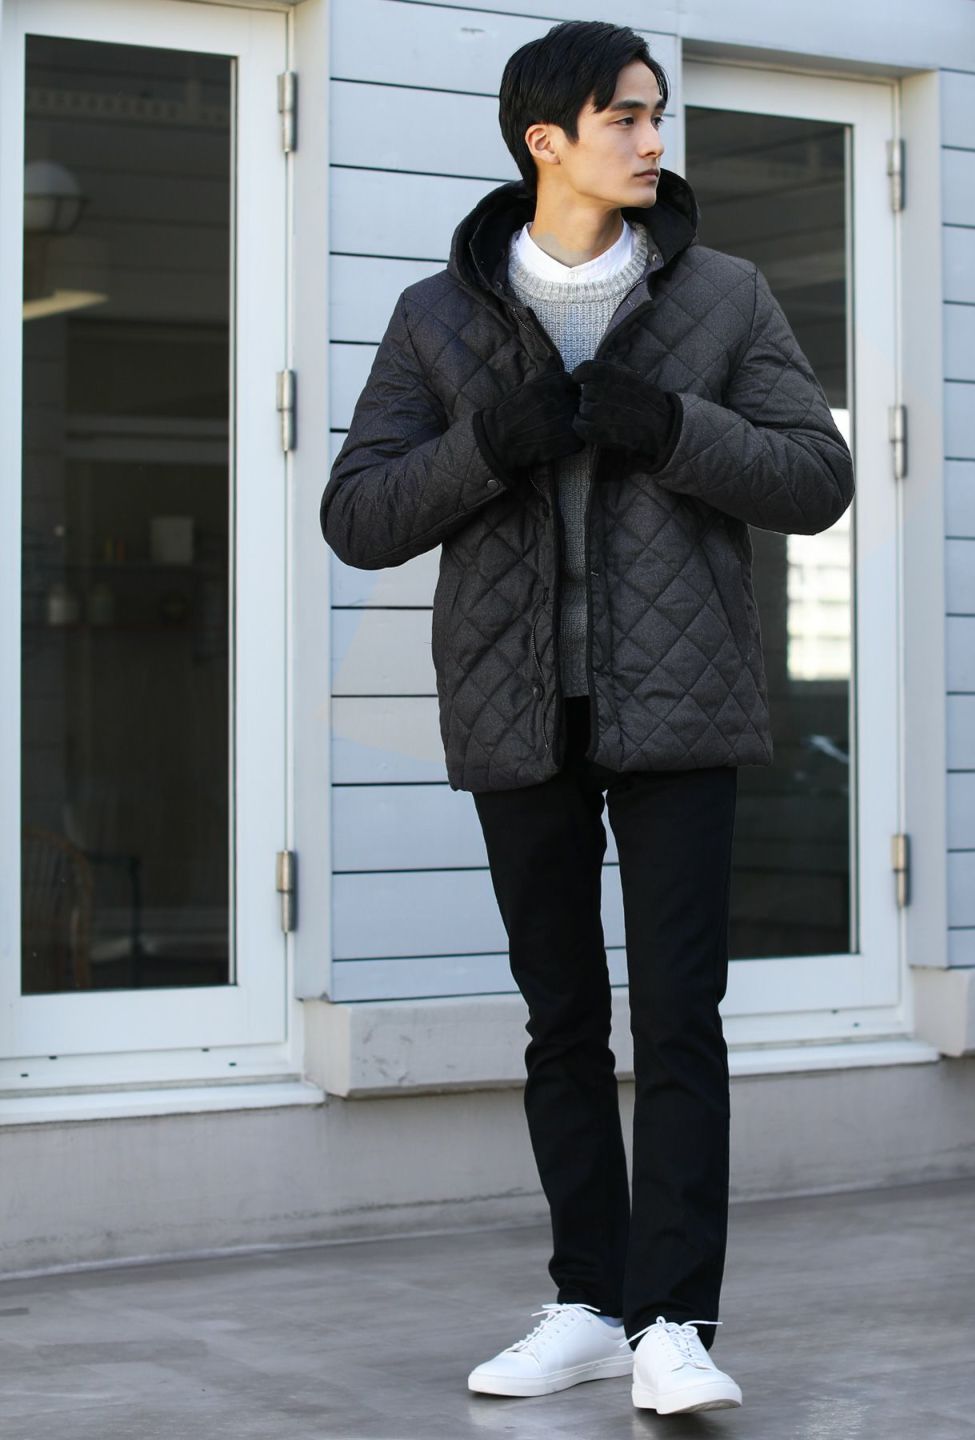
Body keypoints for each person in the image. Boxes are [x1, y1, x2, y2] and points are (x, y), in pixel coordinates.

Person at [320, 18, 854, 1418]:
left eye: (657, 114)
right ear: (545, 139)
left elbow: (817, 478)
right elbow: (358, 514)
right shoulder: (438, 317)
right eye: (626, 116)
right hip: (514, 708)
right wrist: (490, 446)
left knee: (679, 1017)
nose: (653, 139)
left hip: (683, 704)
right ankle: (589, 1303)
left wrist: (665, 426)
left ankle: (673, 1320)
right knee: (561, 1018)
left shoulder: (725, 296)